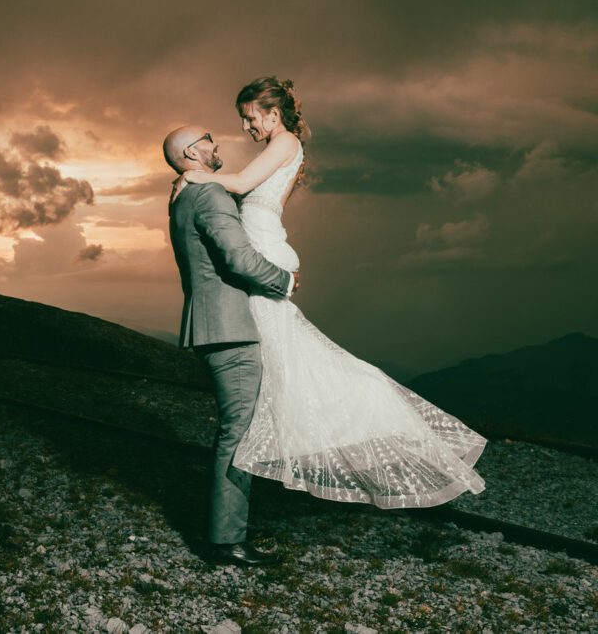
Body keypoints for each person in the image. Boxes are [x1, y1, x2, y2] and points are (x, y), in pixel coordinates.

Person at [181, 77, 487, 509]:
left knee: (283, 354)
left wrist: (192, 174)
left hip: (264, 247)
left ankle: (313, 426)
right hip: (262, 243)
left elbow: (239, 183)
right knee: (283, 355)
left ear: (272, 113)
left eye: (250, 118)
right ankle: (260, 443)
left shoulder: (284, 141)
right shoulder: (278, 143)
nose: (247, 128)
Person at [164, 124, 298, 567]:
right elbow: (238, 259)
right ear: (191, 153)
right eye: (208, 139)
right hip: (230, 329)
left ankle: (231, 529)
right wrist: (284, 280)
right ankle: (227, 542)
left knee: (236, 429)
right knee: (238, 433)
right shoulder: (210, 195)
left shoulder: (182, 198)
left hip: (211, 326)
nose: (216, 143)